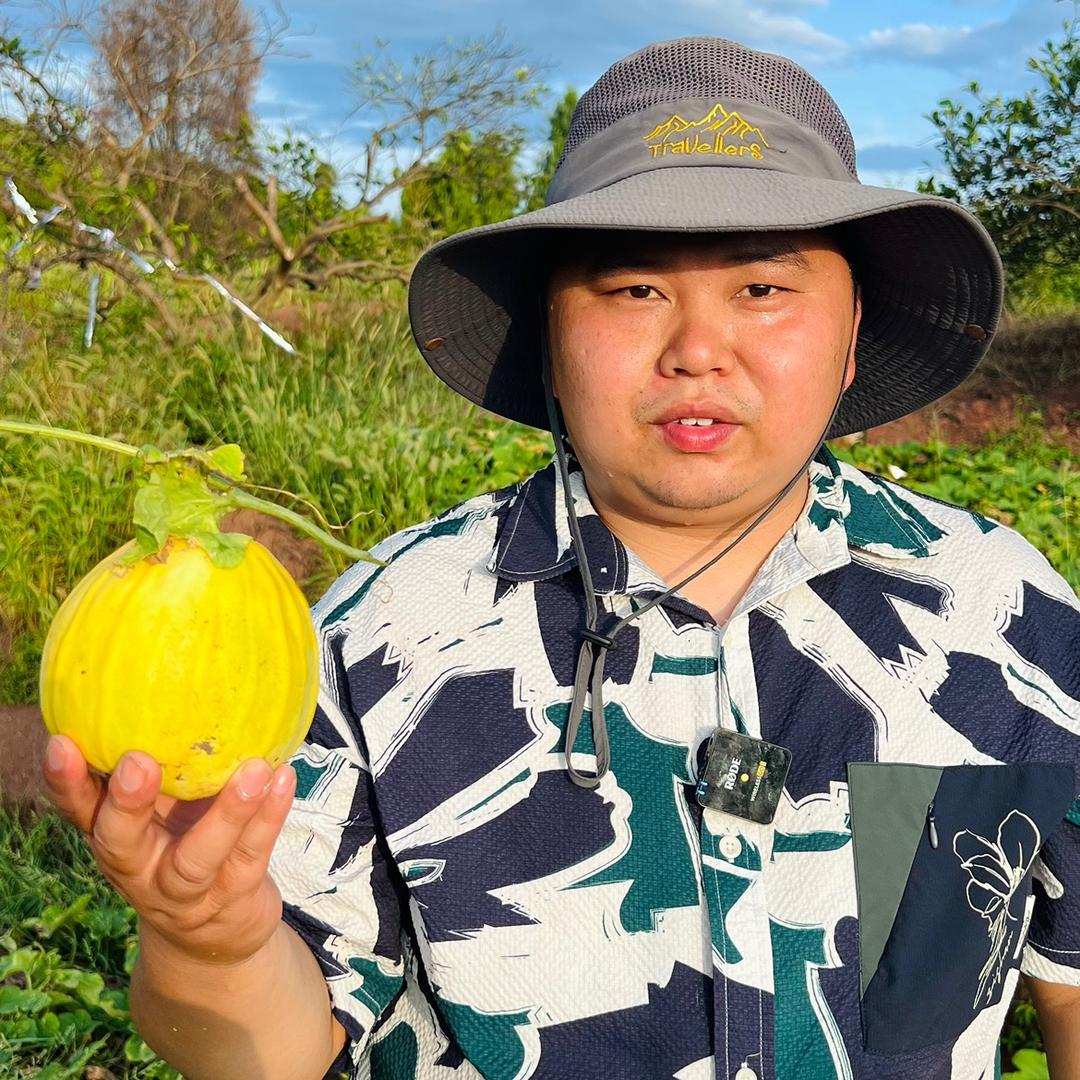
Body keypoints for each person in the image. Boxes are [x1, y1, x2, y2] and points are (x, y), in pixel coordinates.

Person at [41, 36, 1080, 1080]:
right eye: (633, 290)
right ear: (549, 339)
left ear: (853, 334)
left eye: (763, 290)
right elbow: (271, 1052)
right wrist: (206, 941)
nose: (697, 349)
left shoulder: (999, 613)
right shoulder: (381, 639)